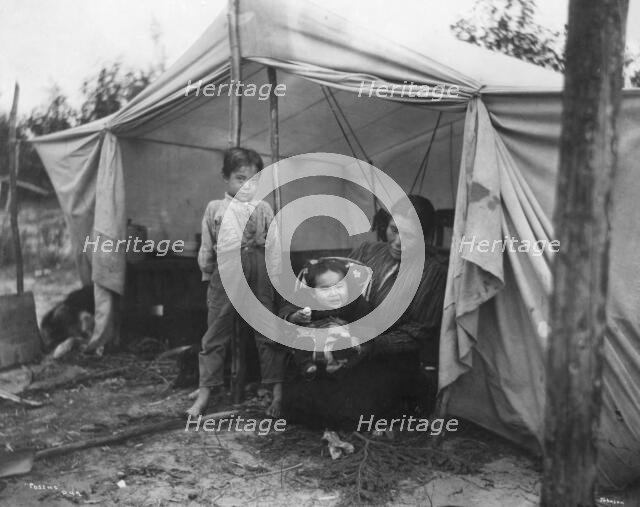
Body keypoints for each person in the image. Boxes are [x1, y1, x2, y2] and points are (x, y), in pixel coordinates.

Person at [281, 195, 447, 428]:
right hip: (348, 345)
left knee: (350, 407)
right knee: (300, 391)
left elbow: (418, 331)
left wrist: (370, 344)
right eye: (393, 230)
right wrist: (304, 314)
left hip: (389, 358)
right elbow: (333, 290)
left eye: (410, 236)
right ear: (385, 226)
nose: (398, 242)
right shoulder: (368, 252)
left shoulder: (432, 271)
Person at [187, 147, 285, 418]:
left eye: (253, 181)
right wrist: (209, 274)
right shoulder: (215, 209)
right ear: (225, 178)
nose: (246, 187)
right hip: (226, 272)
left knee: (266, 331)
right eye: (240, 178)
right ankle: (206, 391)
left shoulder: (263, 208)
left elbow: (274, 247)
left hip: (258, 272)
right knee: (216, 333)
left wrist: (273, 279)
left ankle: (277, 390)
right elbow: (207, 248)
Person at [281, 257, 372, 378]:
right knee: (300, 344)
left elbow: (366, 324)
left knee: (351, 346)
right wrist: (295, 316)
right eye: (325, 289)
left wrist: (358, 338)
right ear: (313, 292)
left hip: (340, 340)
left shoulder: (354, 302)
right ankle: (307, 366)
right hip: (312, 341)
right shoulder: (306, 298)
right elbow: (287, 309)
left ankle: (342, 365)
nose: (333, 293)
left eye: (339, 287)